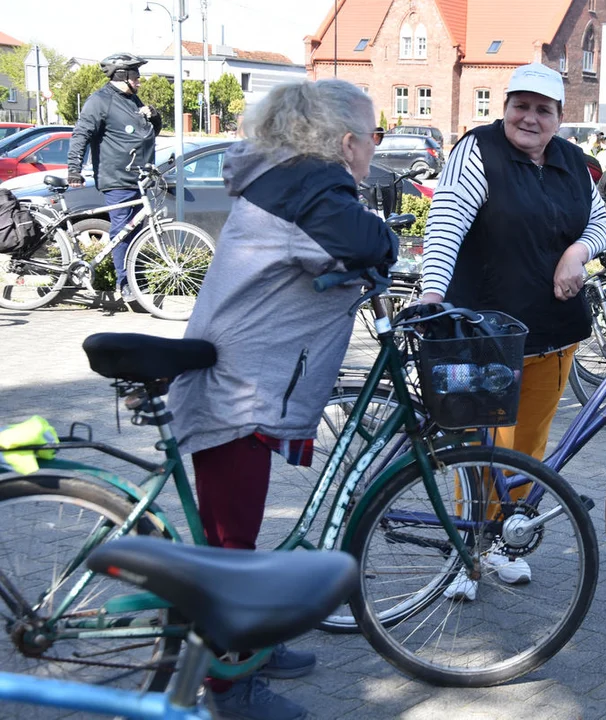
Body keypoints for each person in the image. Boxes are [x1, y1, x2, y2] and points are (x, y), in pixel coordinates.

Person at [167, 78, 397, 720]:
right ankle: (228, 690)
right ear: (348, 140)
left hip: (247, 373)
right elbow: (365, 243)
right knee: (231, 545)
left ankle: (252, 646)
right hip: (240, 385)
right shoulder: (313, 188)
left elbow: (327, 255)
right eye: (373, 137)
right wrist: (388, 241)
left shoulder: (285, 176)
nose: (372, 151)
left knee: (231, 532)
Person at [418, 63, 606, 598]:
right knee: (475, 446)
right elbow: (447, 221)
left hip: (553, 334)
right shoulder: (477, 150)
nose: (529, 117)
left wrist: (578, 251)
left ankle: (504, 540)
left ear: (559, 116)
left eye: (542, 109)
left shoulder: (572, 160)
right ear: (505, 107)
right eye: (520, 105)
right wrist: (433, 292)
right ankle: (466, 551)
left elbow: (602, 223)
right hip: (483, 332)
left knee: (526, 447)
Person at [66, 52, 161, 304]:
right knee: (122, 231)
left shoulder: (132, 99)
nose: (139, 81)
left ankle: (134, 279)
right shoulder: (100, 101)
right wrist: (73, 170)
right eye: (136, 76)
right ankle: (124, 284)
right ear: (123, 75)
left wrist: (155, 117)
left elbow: (148, 134)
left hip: (138, 177)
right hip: (116, 177)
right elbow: (80, 135)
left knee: (136, 233)